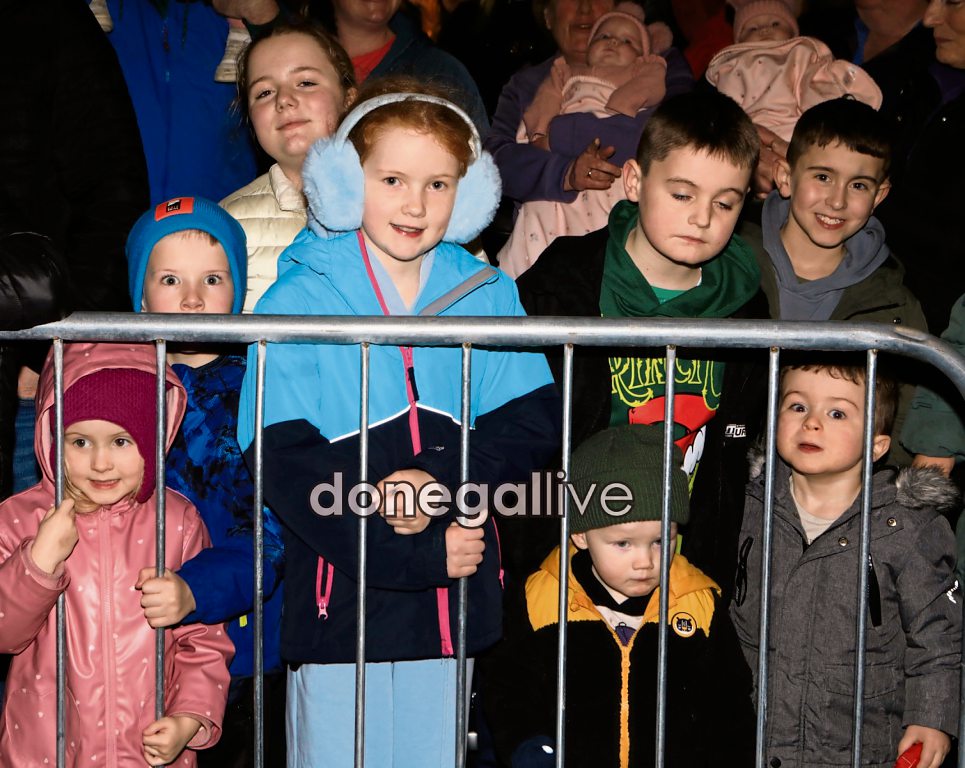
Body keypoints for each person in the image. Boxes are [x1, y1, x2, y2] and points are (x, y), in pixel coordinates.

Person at [236, 79, 560, 767]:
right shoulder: (298, 298)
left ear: (469, 195)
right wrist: (404, 547)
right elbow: (281, 459)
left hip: (450, 603)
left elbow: (530, 426)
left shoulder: (488, 294)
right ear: (343, 184)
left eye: (439, 184)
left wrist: (436, 483)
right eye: (392, 180)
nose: (415, 204)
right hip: (340, 605)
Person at [515, 90, 767, 592]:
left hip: (685, 561)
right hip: (564, 554)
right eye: (682, 194)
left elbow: (732, 448)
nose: (702, 218)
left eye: (724, 203)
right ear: (634, 181)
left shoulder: (748, 306)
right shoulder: (564, 282)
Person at [0, 342, 233, 766]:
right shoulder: (19, 519)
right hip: (47, 751)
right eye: (80, 441)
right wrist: (37, 563)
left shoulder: (177, 522)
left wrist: (189, 718)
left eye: (121, 441)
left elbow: (203, 640)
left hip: (148, 753)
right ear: (52, 437)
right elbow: (5, 634)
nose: (101, 463)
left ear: (152, 437)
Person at [731, 360, 961, 768]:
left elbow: (939, 637)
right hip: (750, 736)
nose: (812, 422)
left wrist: (931, 718)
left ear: (877, 445)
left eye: (837, 413)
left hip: (857, 745)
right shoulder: (745, 506)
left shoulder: (906, 527)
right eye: (798, 406)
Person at [483, 424, 755, 768]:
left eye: (661, 541)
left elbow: (730, 707)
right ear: (581, 534)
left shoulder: (697, 603)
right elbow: (508, 688)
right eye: (623, 543)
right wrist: (529, 748)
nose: (645, 561)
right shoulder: (540, 600)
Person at [125, 196, 287, 766]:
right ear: (140, 297)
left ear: (237, 292)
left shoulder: (260, 390)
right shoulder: (117, 386)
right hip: (126, 645)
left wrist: (197, 589)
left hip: (241, 647)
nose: (192, 298)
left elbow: (271, 528)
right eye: (170, 279)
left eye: (213, 279)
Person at [498, 2, 674, 277]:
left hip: (614, 190)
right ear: (547, 15)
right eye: (605, 36)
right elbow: (499, 163)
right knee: (538, 224)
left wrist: (556, 136)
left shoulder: (654, 68)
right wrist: (561, 167)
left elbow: (666, 138)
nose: (584, 8)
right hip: (548, 205)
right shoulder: (538, 80)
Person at [221, 20, 358, 312]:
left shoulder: (405, 201)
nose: (283, 100)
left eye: (306, 83)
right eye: (264, 93)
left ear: (348, 99)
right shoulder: (225, 226)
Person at [98, 0, 258, 204]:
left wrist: (262, 20)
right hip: (110, 213)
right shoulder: (87, 12)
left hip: (220, 215)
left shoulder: (251, 13)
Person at [873, 0, 965, 335]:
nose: (929, 18)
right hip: (878, 309)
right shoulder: (912, 71)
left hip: (937, 335)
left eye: (952, 1)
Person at [706, 0, 882, 143]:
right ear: (739, 41)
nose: (765, 29)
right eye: (753, 28)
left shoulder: (800, 53)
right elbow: (726, 106)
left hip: (798, 127)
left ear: (793, 32)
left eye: (775, 23)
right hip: (750, 132)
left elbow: (815, 84)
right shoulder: (731, 64)